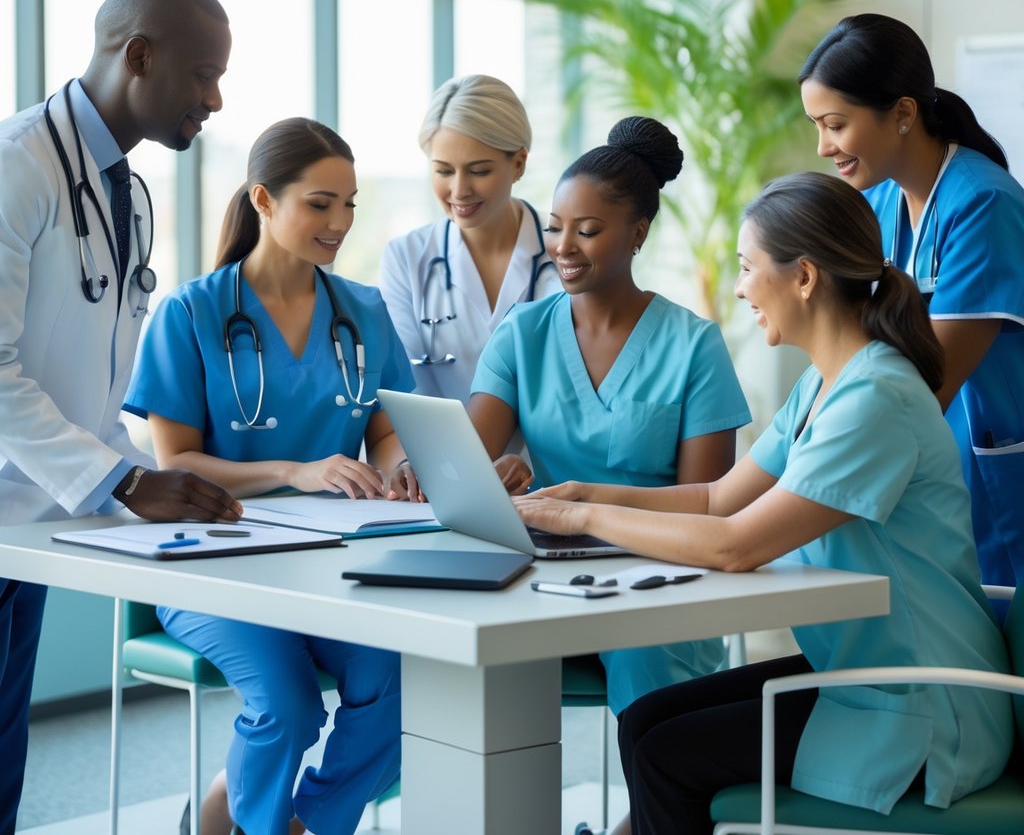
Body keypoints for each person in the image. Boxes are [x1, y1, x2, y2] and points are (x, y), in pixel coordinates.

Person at [514, 171, 1013, 835]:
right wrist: (587, 492)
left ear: (803, 277)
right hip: (862, 674)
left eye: (750, 269)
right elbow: (720, 498)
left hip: (923, 705)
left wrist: (582, 519)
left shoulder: (875, 399)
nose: (742, 287)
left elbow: (738, 544)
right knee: (644, 721)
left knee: (665, 753)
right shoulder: (826, 385)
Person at [123, 118, 417, 835]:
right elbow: (176, 464)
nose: (340, 222)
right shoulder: (191, 312)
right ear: (263, 199)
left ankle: (302, 820)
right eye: (319, 204)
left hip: (337, 569)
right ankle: (259, 816)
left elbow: (383, 429)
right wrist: (295, 470)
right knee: (286, 706)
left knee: (406, 680)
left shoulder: (366, 311)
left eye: (348, 204)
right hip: (217, 568)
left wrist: (400, 467)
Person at [0, 0, 240, 833]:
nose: (214, 98)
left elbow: (91, 390)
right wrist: (125, 482)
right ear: (139, 56)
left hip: (36, 524)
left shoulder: (126, 193)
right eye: (204, 74)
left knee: (2, 761)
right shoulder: (15, 165)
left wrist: (139, 478)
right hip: (14, 508)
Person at [469, 116, 751, 834]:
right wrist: (494, 473)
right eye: (557, 226)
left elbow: (706, 510)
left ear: (638, 234)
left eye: (588, 230)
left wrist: (595, 508)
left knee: (647, 671)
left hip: (655, 579)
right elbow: (468, 458)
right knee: (464, 652)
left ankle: (645, 821)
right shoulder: (522, 333)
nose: (563, 246)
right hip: (544, 572)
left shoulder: (693, 346)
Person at [799, 13, 1024, 589]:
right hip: (922, 467)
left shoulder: (983, 203)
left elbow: (931, 380)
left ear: (902, 113)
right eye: (817, 126)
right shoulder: (877, 204)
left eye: (835, 125)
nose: (823, 147)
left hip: (990, 468)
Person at [379, 74, 561, 404]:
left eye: (479, 171)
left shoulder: (565, 255)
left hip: (543, 457)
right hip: (438, 453)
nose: (459, 190)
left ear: (518, 164)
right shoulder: (405, 258)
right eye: (444, 171)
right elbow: (402, 388)